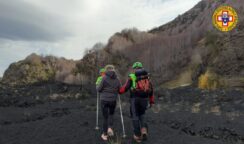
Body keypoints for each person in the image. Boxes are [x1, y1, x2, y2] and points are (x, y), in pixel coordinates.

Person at [119, 62, 155, 143]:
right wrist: (151, 101)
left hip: (135, 100)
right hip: (145, 100)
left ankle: (137, 135)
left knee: (135, 116)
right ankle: (144, 130)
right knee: (142, 115)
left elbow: (125, 88)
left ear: (134, 68)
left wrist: (119, 91)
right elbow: (151, 90)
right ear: (141, 67)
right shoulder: (147, 77)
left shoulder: (132, 77)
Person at [97, 65, 121, 141]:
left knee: (105, 117)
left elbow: (99, 89)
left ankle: (105, 134)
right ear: (113, 70)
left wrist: (97, 86)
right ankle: (110, 128)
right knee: (111, 114)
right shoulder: (117, 79)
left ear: (106, 70)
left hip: (104, 100)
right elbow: (120, 90)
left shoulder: (104, 78)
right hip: (113, 100)